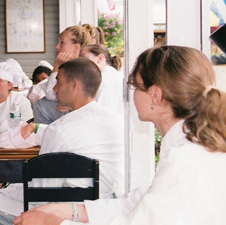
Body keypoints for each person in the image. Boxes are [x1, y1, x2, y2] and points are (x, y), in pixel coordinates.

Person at [15, 45, 226, 225]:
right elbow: (138, 201)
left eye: (135, 86)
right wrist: (64, 211)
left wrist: (58, 221)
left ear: (155, 95)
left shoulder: (185, 162)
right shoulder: (190, 147)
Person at [0, 58, 124, 225]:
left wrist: (4, 187)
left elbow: (39, 195)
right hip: (102, 209)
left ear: (74, 85)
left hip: (62, 213)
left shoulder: (59, 130)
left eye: (58, 82)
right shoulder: (116, 120)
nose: (54, 88)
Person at [29, 25, 90, 123]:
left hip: (81, 115)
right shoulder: (68, 65)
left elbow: (50, 93)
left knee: (40, 106)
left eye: (62, 43)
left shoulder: (84, 67)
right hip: (71, 110)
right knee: (42, 103)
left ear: (76, 48)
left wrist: (57, 65)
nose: (57, 46)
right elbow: (52, 92)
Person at [80, 44, 124, 115]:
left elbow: (100, 114)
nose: (80, 63)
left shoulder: (102, 82)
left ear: (100, 58)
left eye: (83, 58)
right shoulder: (116, 76)